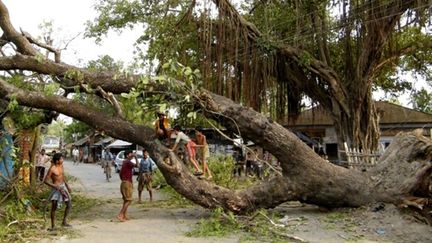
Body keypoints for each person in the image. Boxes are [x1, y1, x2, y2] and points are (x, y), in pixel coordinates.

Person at [44, 153, 72, 230]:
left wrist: (67, 186)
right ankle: (53, 226)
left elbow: (63, 177)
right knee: (54, 207)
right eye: (61, 159)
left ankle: (64, 221)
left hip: (63, 188)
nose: (62, 160)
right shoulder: (52, 169)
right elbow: (45, 181)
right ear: (57, 161)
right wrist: (54, 186)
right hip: (56, 190)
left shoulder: (61, 166)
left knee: (69, 204)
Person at [118, 150, 138, 222]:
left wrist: (123, 180)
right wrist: (135, 157)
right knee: (129, 200)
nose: (132, 155)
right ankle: (120, 214)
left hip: (123, 182)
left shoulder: (124, 162)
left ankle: (124, 215)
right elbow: (137, 166)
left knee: (125, 200)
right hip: (127, 183)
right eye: (130, 154)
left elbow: (120, 174)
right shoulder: (128, 162)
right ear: (127, 155)